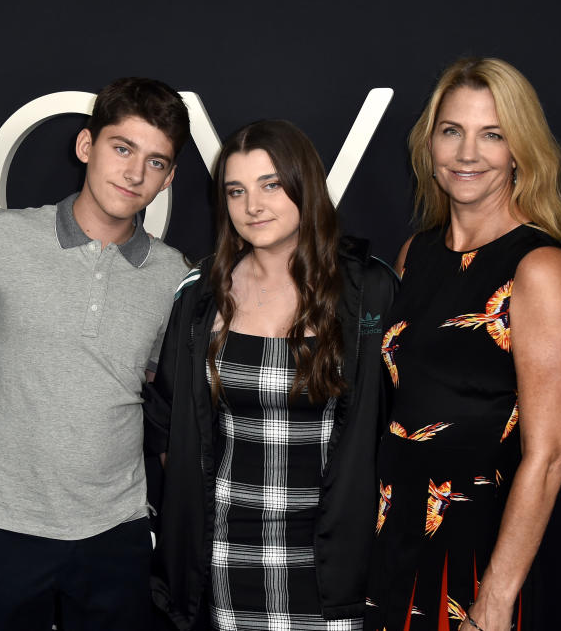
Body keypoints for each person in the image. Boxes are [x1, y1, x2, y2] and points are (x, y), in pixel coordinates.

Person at [144, 119, 398, 630]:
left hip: (333, 560)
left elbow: (396, 423)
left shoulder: (368, 288)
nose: (252, 206)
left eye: (270, 185)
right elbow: (170, 423)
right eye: (236, 191)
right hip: (227, 554)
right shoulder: (201, 292)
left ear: (304, 184)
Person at [364, 58, 561, 631]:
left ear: (519, 151)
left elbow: (550, 456)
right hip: (391, 539)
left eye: (492, 134)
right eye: (452, 131)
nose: (467, 154)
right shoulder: (416, 254)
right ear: (430, 145)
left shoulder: (539, 268)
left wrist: (493, 605)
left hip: (472, 561)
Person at [0, 77, 191, 630]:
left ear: (170, 177)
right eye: (122, 148)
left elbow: (167, 402)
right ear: (86, 146)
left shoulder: (172, 276)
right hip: (4, 522)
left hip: (116, 529)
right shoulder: (3, 239)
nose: (135, 174)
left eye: (156, 162)